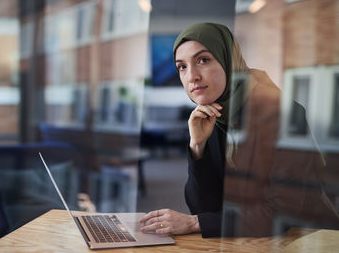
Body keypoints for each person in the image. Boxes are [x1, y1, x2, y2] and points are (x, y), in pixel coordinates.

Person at [139, 22, 339, 237]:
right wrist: (198, 147)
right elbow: (204, 208)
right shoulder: (217, 115)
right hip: (250, 241)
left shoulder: (281, 113)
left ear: (228, 61)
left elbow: (284, 212)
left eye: (203, 60)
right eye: (182, 66)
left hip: (310, 240)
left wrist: (193, 223)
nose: (191, 76)